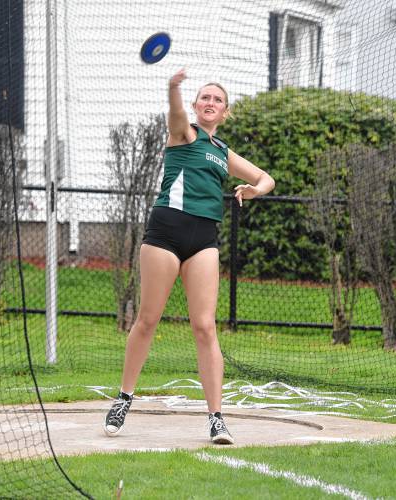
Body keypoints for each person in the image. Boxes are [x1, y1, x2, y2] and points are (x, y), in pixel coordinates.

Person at [103, 68, 275, 444]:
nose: (210, 102)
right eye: (204, 98)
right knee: (148, 319)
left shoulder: (222, 152)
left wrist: (253, 189)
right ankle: (124, 397)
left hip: (204, 238)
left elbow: (266, 178)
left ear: (225, 112)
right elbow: (175, 115)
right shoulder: (185, 134)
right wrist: (173, 88)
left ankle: (216, 418)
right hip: (165, 232)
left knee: (205, 326)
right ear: (196, 106)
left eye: (217, 99)